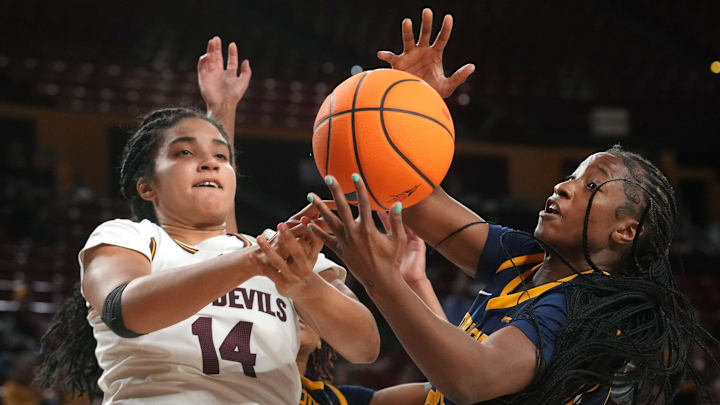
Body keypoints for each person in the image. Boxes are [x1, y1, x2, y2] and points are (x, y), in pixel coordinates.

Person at [303, 8, 717, 405]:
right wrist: (403, 112)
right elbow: (414, 196)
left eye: (591, 185)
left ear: (626, 231)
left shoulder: (589, 309)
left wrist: (381, 278)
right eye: (570, 176)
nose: (563, 187)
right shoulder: (525, 260)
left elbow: (470, 379)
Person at [36, 38, 380, 405]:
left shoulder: (280, 250)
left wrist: (304, 285)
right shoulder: (131, 236)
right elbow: (122, 309)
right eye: (184, 152)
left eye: (221, 156)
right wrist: (255, 261)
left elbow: (364, 346)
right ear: (147, 187)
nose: (211, 162)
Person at [292, 212, 441, 405]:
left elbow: (456, 388)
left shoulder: (340, 400)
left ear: (324, 338)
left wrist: (414, 281)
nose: (297, 311)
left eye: (306, 309)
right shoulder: (242, 383)